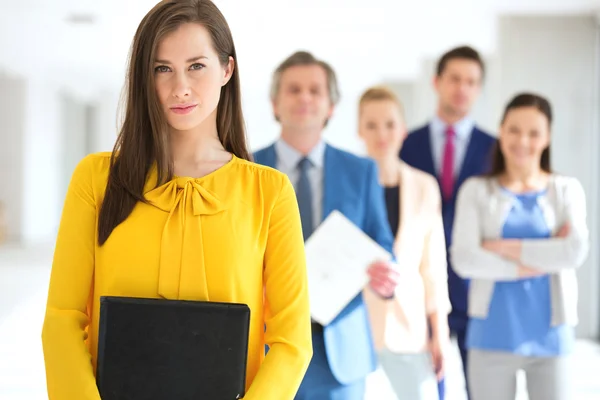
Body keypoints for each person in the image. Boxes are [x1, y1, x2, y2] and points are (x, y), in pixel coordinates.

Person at [41, 1, 312, 399]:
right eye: (161, 68)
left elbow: (292, 341)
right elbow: (63, 320)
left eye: (196, 66)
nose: (179, 86)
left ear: (226, 70)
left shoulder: (269, 192)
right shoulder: (96, 180)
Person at [253, 51, 396, 400]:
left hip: (340, 351)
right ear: (275, 103)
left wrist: (385, 278)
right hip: (266, 344)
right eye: (294, 89)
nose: (305, 97)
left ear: (331, 106)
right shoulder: (246, 170)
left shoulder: (360, 171)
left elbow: (382, 244)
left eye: (315, 90)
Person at [451, 93, 589, 400]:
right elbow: (464, 259)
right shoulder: (476, 190)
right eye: (514, 129)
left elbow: (574, 251)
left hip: (552, 337)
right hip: (491, 334)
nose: (522, 140)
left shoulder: (567, 190)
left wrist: (502, 247)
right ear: (500, 131)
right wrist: (538, 259)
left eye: (534, 132)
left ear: (548, 137)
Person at [400, 45, 495, 399]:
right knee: (427, 388)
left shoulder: (496, 149)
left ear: (479, 89)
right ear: (437, 82)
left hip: (477, 288)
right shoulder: (406, 144)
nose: (462, 88)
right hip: (422, 287)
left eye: (471, 81)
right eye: (455, 78)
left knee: (482, 388)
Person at [358, 86, 450, 400]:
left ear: (403, 129)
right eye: (371, 125)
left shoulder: (425, 186)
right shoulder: (349, 183)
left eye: (389, 124)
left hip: (410, 328)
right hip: (358, 327)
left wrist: (440, 332)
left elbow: (433, 268)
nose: (381, 133)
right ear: (359, 130)